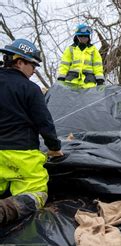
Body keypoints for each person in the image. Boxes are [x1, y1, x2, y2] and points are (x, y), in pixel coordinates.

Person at [0, 39, 64, 225]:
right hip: (21, 156)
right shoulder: (30, 89)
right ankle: (5, 210)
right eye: (33, 65)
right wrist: (54, 148)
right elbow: (44, 122)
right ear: (19, 62)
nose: (34, 70)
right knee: (36, 193)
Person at [57, 24, 105, 89]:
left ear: (88, 37)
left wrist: (100, 80)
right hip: (71, 82)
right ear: (77, 37)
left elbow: (98, 66)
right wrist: (61, 78)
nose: (83, 38)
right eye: (81, 36)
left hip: (88, 82)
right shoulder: (70, 49)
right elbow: (64, 65)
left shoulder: (93, 50)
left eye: (85, 36)